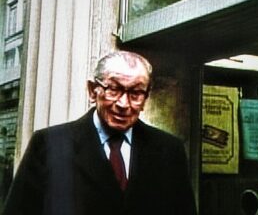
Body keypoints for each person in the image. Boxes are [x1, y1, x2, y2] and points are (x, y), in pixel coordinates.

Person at [3, 51, 197, 215]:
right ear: (92, 90)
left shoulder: (168, 150)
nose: (123, 104)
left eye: (135, 93)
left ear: (146, 98)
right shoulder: (50, 144)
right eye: (113, 89)